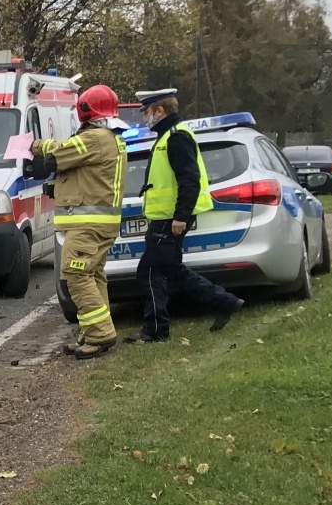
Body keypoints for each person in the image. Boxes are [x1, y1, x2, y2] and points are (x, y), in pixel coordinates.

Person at [126, 87, 243, 343]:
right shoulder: (168, 135)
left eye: (147, 111)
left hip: (171, 218)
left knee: (150, 271)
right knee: (169, 270)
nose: (145, 117)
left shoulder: (176, 136)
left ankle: (156, 329)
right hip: (166, 217)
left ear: (160, 110)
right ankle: (224, 302)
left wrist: (181, 215)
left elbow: (189, 179)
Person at [23, 84, 128, 357]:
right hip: (100, 224)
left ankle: (100, 334)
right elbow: (85, 175)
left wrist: (33, 145)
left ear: (85, 111)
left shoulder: (94, 138)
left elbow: (57, 154)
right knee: (93, 275)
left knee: (75, 273)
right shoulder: (111, 137)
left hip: (88, 226)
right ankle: (92, 332)